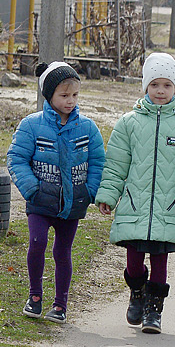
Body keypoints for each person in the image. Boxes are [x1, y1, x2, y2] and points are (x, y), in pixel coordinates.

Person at [94, 53, 175, 335]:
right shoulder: (128, 123)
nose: (160, 91)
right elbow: (117, 163)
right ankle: (137, 290)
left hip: (168, 206)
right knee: (133, 261)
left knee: (159, 260)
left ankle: (154, 310)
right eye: (155, 84)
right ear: (145, 86)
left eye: (167, 85)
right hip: (135, 204)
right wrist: (108, 194)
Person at [6, 61, 105, 324]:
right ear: (48, 95)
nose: (70, 101)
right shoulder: (31, 126)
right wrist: (32, 189)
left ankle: (60, 304)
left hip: (72, 204)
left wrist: (90, 190)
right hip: (40, 201)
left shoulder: (88, 128)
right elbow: (16, 159)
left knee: (63, 252)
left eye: (74, 95)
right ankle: (35, 296)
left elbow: (98, 161)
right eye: (64, 95)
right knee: (37, 244)